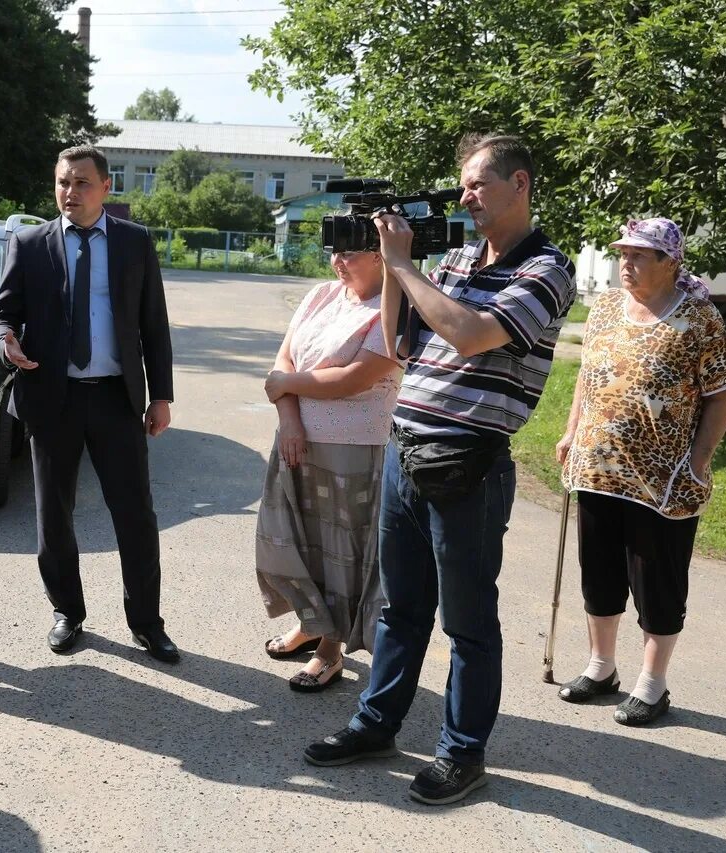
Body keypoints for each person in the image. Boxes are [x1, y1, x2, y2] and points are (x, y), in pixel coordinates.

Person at [303, 134, 576, 806]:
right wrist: (396, 271)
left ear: (520, 184)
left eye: (479, 184)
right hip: (407, 451)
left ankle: (461, 753)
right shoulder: (452, 257)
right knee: (400, 610)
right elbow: (401, 343)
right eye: (462, 185)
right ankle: (377, 724)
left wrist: (406, 265)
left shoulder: (547, 270)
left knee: (468, 621)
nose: (465, 197)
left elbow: (472, 333)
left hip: (469, 468)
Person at [0, 144, 178, 662]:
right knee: (54, 512)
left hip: (116, 399)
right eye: (63, 183)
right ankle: (67, 611)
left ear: (106, 188)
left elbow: (153, 325)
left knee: (135, 514)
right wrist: (5, 340)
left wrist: (160, 395)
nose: (70, 193)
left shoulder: (135, 243)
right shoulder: (30, 244)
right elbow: (1, 313)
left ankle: (147, 622)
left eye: (82, 183)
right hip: (54, 399)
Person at [555, 218, 726, 726]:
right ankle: (600, 667)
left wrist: (698, 461)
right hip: (597, 465)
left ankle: (652, 685)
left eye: (639, 255)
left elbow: (721, 394)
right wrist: (572, 431)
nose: (626, 263)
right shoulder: (607, 306)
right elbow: (587, 377)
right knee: (600, 571)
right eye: (623, 253)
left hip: (665, 479)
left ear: (670, 262)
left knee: (656, 578)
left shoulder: (699, 317)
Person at [257, 247, 400, 691]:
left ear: (380, 255)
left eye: (353, 253)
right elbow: (284, 361)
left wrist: (286, 385)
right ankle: (312, 621)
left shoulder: (395, 309)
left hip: (352, 450)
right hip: (296, 442)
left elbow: (355, 379)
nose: (340, 262)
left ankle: (329, 650)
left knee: (340, 553)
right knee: (293, 540)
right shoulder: (321, 294)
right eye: (335, 251)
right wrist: (290, 419)